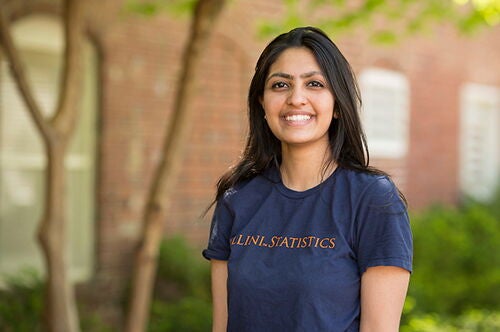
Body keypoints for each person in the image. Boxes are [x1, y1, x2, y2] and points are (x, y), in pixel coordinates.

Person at [202, 26, 413, 332]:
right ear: (261, 102)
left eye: (314, 84)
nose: (296, 98)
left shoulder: (373, 200)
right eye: (280, 85)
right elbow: (222, 325)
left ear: (338, 104)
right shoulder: (238, 198)